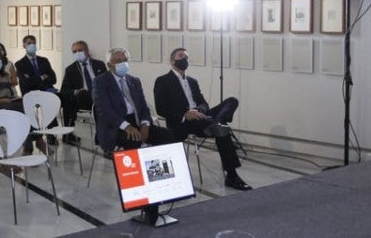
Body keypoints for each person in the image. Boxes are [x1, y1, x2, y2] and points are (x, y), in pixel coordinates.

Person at [153, 48, 251, 191]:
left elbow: (204, 103)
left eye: (186, 56)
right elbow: (161, 108)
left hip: (202, 117)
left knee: (232, 100)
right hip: (183, 122)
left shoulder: (192, 81)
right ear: (172, 60)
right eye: (181, 56)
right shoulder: (163, 81)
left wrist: (200, 110)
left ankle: (216, 123)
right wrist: (185, 114)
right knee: (221, 131)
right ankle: (232, 175)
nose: (184, 59)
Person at [91, 48, 173, 155]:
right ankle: (131, 171)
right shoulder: (100, 82)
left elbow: (144, 107)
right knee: (133, 140)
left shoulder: (134, 81)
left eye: (126, 60)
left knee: (169, 135)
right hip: (115, 125)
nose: (123, 63)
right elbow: (104, 110)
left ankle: (159, 168)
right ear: (109, 65)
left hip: (137, 121)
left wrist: (145, 125)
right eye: (119, 61)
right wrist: (127, 126)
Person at [59, 40, 107, 143]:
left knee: (103, 101)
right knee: (75, 97)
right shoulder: (70, 69)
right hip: (83, 99)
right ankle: (68, 133)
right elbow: (64, 90)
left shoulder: (99, 65)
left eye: (80, 50)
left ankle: (102, 135)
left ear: (87, 51)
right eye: (74, 51)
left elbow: (108, 82)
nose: (77, 53)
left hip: (101, 97)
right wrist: (76, 91)